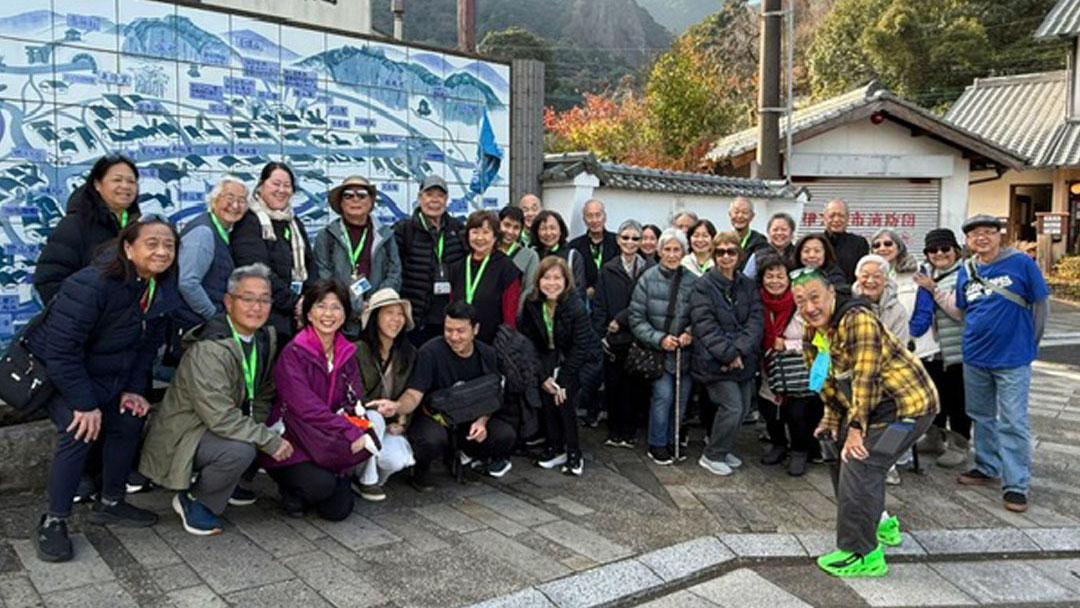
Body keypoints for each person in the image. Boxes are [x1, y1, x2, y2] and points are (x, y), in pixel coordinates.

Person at [28, 217, 180, 562]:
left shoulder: (161, 289)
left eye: (169, 245)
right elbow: (61, 351)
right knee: (79, 429)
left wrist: (133, 390)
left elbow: (144, 351)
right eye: (152, 243)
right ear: (128, 248)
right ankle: (53, 520)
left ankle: (111, 502)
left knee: (129, 419)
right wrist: (84, 404)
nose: (161, 251)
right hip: (59, 377)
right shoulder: (93, 284)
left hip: (107, 378)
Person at [793, 268, 937, 578]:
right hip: (868, 408)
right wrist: (832, 418)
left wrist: (856, 430)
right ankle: (880, 523)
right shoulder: (814, 331)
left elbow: (865, 377)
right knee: (835, 450)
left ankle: (862, 553)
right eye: (801, 301)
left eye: (815, 297)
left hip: (905, 408)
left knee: (861, 462)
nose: (809, 307)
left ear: (832, 292)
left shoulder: (857, 318)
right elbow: (826, 380)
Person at [139, 264, 294, 535]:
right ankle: (195, 500)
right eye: (247, 298)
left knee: (265, 428)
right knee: (241, 449)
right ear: (228, 302)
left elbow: (263, 391)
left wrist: (261, 427)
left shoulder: (263, 337)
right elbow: (219, 416)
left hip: (219, 426)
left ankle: (226, 482)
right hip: (185, 434)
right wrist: (266, 439)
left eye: (264, 299)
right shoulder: (210, 349)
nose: (256, 307)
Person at [261, 279, 379, 521]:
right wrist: (350, 431)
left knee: (338, 511)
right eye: (321, 306)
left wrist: (360, 426)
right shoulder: (293, 352)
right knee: (320, 486)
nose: (328, 314)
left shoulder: (347, 352)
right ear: (309, 313)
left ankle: (321, 481)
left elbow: (354, 399)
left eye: (336, 307)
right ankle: (290, 488)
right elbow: (306, 409)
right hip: (294, 437)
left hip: (327, 440)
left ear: (345, 314)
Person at [368, 301, 517, 490]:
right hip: (434, 416)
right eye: (449, 330)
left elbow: (493, 395)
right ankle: (421, 470)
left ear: (475, 330)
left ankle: (465, 456)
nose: (454, 337)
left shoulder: (487, 354)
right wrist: (397, 406)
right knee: (431, 440)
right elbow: (414, 394)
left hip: (470, 416)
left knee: (505, 435)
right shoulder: (430, 352)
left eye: (461, 331)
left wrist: (482, 421)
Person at [955, 215, 1049, 514]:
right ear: (968, 242)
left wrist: (1030, 344)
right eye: (974, 235)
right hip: (975, 356)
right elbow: (963, 310)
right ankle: (987, 466)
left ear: (999, 235)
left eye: (987, 232)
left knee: (1013, 421)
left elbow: (1040, 306)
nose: (981, 238)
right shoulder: (966, 269)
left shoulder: (1021, 263)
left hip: (1013, 358)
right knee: (981, 415)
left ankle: (1016, 485)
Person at [690, 232, 763, 477]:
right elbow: (705, 326)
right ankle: (712, 454)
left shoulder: (747, 285)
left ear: (739, 256)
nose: (726, 257)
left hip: (743, 359)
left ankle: (724, 448)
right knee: (731, 407)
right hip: (714, 362)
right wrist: (729, 353)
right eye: (720, 252)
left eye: (731, 251)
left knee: (742, 409)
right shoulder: (703, 286)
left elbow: (755, 321)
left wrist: (739, 350)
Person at [519, 257, 599, 476]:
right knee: (547, 398)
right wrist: (543, 376)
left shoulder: (575, 306)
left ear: (566, 281)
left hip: (576, 361)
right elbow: (529, 343)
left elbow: (581, 347)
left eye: (557, 278)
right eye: (546, 277)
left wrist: (563, 379)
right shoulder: (532, 303)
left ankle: (574, 452)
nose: (551, 283)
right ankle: (555, 448)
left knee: (564, 400)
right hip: (547, 356)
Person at [34, 155, 141, 304]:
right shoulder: (75, 224)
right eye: (117, 180)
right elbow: (49, 280)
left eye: (131, 181)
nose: (125, 186)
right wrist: (81, 313)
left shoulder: (139, 227)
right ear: (97, 184)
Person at [629, 228, 696, 466]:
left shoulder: (693, 281)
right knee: (663, 396)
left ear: (684, 252)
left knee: (681, 399)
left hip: (684, 354)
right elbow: (636, 318)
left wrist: (690, 333)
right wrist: (659, 339)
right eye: (667, 249)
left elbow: (701, 316)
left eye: (676, 249)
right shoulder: (647, 278)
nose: (671, 254)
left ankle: (672, 441)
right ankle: (657, 443)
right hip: (657, 352)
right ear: (659, 251)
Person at [231, 162, 316, 339]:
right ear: (261, 186)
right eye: (275, 184)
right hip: (265, 318)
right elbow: (258, 270)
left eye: (287, 185)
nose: (281, 190)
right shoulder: (249, 222)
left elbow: (310, 264)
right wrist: (295, 303)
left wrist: (309, 300)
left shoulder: (293, 222)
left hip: (297, 318)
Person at [756, 255, 823, 476]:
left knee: (797, 412)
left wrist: (789, 344)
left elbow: (820, 337)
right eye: (769, 276)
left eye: (780, 276)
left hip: (798, 368)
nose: (775, 281)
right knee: (769, 408)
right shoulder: (757, 301)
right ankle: (778, 444)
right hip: (767, 365)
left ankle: (799, 451)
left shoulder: (802, 302)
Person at [909, 229, 970, 469]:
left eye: (945, 249)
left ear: (956, 250)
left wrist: (933, 289)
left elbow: (958, 310)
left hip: (956, 350)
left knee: (958, 400)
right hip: (930, 350)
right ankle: (934, 437)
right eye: (933, 250)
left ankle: (959, 445)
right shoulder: (922, 273)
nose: (939, 254)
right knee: (934, 397)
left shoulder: (964, 274)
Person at [351, 288, 418, 501]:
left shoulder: (408, 353)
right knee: (375, 419)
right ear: (375, 317)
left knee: (396, 460)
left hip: (389, 424)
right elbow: (353, 397)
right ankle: (366, 480)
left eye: (400, 314)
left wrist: (402, 419)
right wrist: (377, 407)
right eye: (389, 313)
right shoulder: (357, 350)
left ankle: (375, 478)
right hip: (364, 421)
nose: (396, 320)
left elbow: (412, 393)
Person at [314, 175, 402, 337]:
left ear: (371, 203)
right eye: (348, 195)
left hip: (375, 318)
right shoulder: (326, 237)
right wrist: (350, 304)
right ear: (341, 202)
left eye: (362, 195)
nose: (355, 199)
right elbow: (324, 276)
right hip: (338, 319)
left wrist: (376, 302)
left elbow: (394, 273)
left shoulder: (386, 236)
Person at [593, 220, 654, 447]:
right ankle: (614, 432)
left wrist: (621, 319)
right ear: (618, 240)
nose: (630, 242)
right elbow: (598, 305)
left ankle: (630, 432)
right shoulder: (608, 269)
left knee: (634, 387)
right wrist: (604, 331)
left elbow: (646, 302)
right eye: (625, 237)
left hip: (639, 336)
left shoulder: (649, 270)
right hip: (613, 339)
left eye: (635, 238)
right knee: (613, 385)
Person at [394, 175, 466, 346]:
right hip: (415, 318)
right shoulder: (405, 230)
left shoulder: (458, 229)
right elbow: (395, 271)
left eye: (440, 195)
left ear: (446, 200)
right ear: (420, 198)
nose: (434, 200)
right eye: (429, 194)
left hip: (447, 319)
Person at [175, 176, 248, 331]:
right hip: (194, 325)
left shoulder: (226, 232)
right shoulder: (203, 232)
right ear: (214, 201)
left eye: (242, 200)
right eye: (229, 198)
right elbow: (187, 283)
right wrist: (214, 316)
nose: (235, 205)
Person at [449, 210, 521, 344]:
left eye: (485, 232)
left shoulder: (506, 268)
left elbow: (510, 317)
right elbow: (452, 305)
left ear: (495, 236)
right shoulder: (457, 267)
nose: (479, 238)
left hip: (492, 344)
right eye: (475, 232)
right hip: (459, 342)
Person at [568, 199, 618, 298]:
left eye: (598, 215)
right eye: (589, 216)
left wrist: (595, 289)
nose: (594, 220)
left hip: (612, 297)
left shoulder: (617, 242)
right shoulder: (574, 246)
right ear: (584, 219)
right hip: (584, 300)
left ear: (605, 217)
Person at [530, 210, 586, 297]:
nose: (548, 233)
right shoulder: (532, 255)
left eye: (552, 228)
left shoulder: (572, 255)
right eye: (543, 229)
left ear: (561, 230)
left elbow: (579, 290)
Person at [853, 255, 909, 343]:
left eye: (877, 276)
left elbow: (900, 347)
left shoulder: (897, 310)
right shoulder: (848, 304)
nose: (870, 281)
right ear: (858, 278)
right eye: (865, 276)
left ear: (886, 280)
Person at [869, 228, 919, 327]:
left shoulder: (916, 271)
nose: (882, 248)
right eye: (876, 245)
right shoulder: (868, 275)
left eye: (888, 243)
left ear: (899, 246)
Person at [498, 205, 539, 304]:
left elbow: (529, 289)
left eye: (516, 228)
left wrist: (516, 315)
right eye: (506, 225)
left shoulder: (530, 256)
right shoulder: (488, 250)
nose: (510, 231)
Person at [822, 199, 869, 284]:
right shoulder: (815, 241)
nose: (836, 220)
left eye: (841, 215)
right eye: (832, 216)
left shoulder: (859, 243)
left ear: (847, 219)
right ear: (824, 218)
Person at [743, 212, 797, 278]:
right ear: (768, 233)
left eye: (784, 229)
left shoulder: (798, 255)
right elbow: (745, 280)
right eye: (775, 230)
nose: (779, 233)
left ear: (792, 233)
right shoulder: (757, 256)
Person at [728, 196, 768, 268]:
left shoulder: (760, 242)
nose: (740, 216)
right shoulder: (724, 240)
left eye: (744, 212)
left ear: (752, 216)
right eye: (736, 212)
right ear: (730, 214)